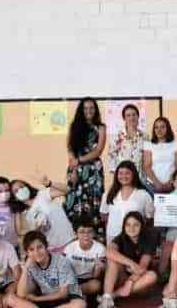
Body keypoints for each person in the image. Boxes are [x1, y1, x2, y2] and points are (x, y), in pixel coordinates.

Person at [7, 230, 87, 308]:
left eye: (39, 247)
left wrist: (36, 299)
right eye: (31, 250)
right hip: (47, 299)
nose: (36, 252)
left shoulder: (61, 262)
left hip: (65, 299)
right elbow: (21, 294)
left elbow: (63, 294)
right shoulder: (30, 265)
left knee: (80, 305)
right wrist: (26, 268)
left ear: (46, 246)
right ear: (27, 252)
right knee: (10, 298)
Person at [96, 212, 158, 308]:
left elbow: (142, 267)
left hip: (138, 282)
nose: (131, 228)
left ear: (142, 226)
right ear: (124, 226)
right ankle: (107, 297)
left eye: (136, 225)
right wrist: (131, 264)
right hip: (122, 277)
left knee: (152, 275)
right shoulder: (121, 237)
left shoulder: (148, 239)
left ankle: (112, 295)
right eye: (128, 225)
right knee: (112, 261)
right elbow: (108, 251)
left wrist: (130, 281)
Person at [64, 97, 107, 238]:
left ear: (95, 110)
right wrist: (75, 168)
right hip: (76, 169)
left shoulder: (101, 127)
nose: (89, 111)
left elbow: (98, 150)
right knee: (74, 202)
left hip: (94, 170)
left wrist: (79, 160)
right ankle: (74, 239)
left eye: (92, 108)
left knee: (94, 204)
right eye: (86, 108)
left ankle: (96, 240)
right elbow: (70, 148)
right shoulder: (74, 126)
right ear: (81, 111)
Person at [12, 178, 75, 253]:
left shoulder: (42, 195)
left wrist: (50, 183)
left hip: (69, 241)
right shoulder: (26, 214)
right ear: (15, 198)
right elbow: (21, 231)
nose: (20, 190)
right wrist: (36, 228)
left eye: (21, 187)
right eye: (16, 191)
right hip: (52, 249)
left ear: (27, 186)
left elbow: (67, 190)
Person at [100, 160, 154, 243]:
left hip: (135, 238)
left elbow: (149, 218)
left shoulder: (144, 195)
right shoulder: (108, 194)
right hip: (113, 236)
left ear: (134, 175)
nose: (124, 176)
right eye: (120, 173)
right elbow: (104, 215)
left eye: (127, 173)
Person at [63, 218, 106, 298]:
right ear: (75, 234)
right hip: (73, 279)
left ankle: (70, 293)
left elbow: (97, 275)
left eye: (89, 231)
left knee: (96, 285)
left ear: (93, 233)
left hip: (89, 279)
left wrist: (100, 267)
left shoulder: (100, 249)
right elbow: (63, 270)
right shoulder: (69, 248)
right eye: (82, 232)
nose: (86, 235)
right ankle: (75, 294)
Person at [143, 116, 177, 194]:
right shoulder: (149, 144)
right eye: (156, 127)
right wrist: (157, 183)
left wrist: (171, 182)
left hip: (172, 185)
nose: (159, 130)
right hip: (153, 185)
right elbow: (147, 166)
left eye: (162, 127)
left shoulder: (176, 144)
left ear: (168, 128)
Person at [107, 103, 145, 174]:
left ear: (138, 116)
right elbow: (111, 156)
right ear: (124, 118)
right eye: (128, 115)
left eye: (134, 114)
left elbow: (148, 160)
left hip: (140, 177)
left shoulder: (145, 137)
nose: (132, 118)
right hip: (123, 177)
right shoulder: (117, 137)